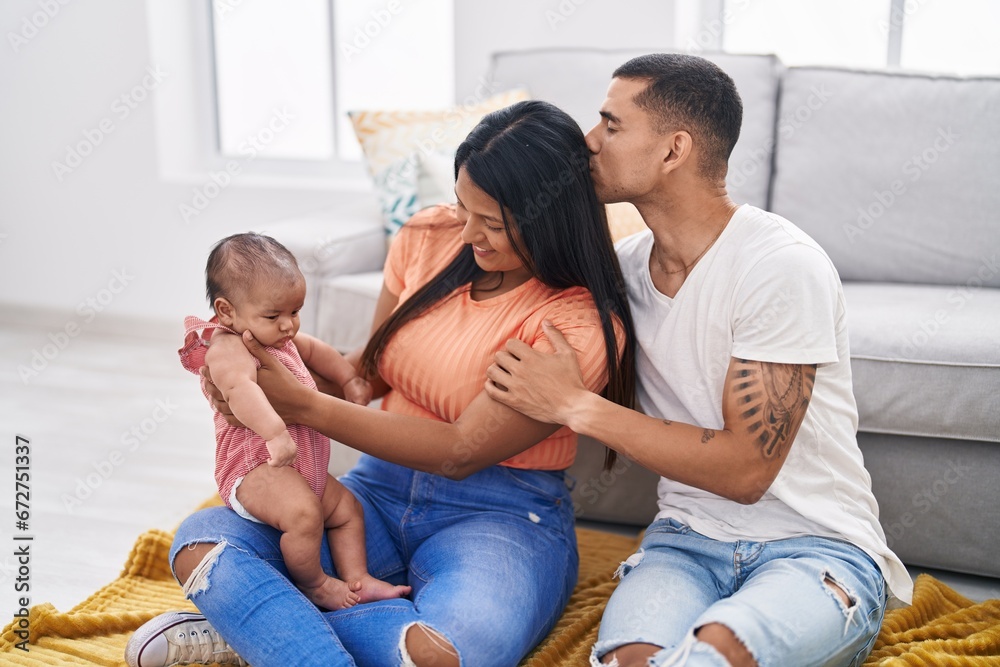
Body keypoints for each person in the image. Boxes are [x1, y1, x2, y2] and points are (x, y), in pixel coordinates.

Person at [125, 99, 636, 667]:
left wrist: (305, 406)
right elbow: (367, 368)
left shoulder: (578, 322)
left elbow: (460, 452)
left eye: (491, 223)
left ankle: (267, 629)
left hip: (501, 515)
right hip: (374, 493)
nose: (468, 233)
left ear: (551, 218)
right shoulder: (427, 236)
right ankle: (295, 635)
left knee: (455, 653)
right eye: (465, 207)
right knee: (204, 545)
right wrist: (262, 373)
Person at [484, 54, 912, 667]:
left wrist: (577, 406)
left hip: (814, 548)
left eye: (611, 123)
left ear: (673, 150)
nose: (589, 141)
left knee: (709, 658)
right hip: (684, 545)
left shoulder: (779, 265)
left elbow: (745, 472)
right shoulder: (624, 271)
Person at [178, 233, 409, 612]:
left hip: (301, 466)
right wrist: (274, 432)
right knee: (305, 514)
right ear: (226, 311)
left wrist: (350, 379)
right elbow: (240, 391)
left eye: (295, 312)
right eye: (274, 316)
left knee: (347, 509)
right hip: (256, 466)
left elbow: (319, 352)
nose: (288, 325)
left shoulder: (277, 336)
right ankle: (315, 584)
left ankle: (358, 577)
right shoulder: (227, 347)